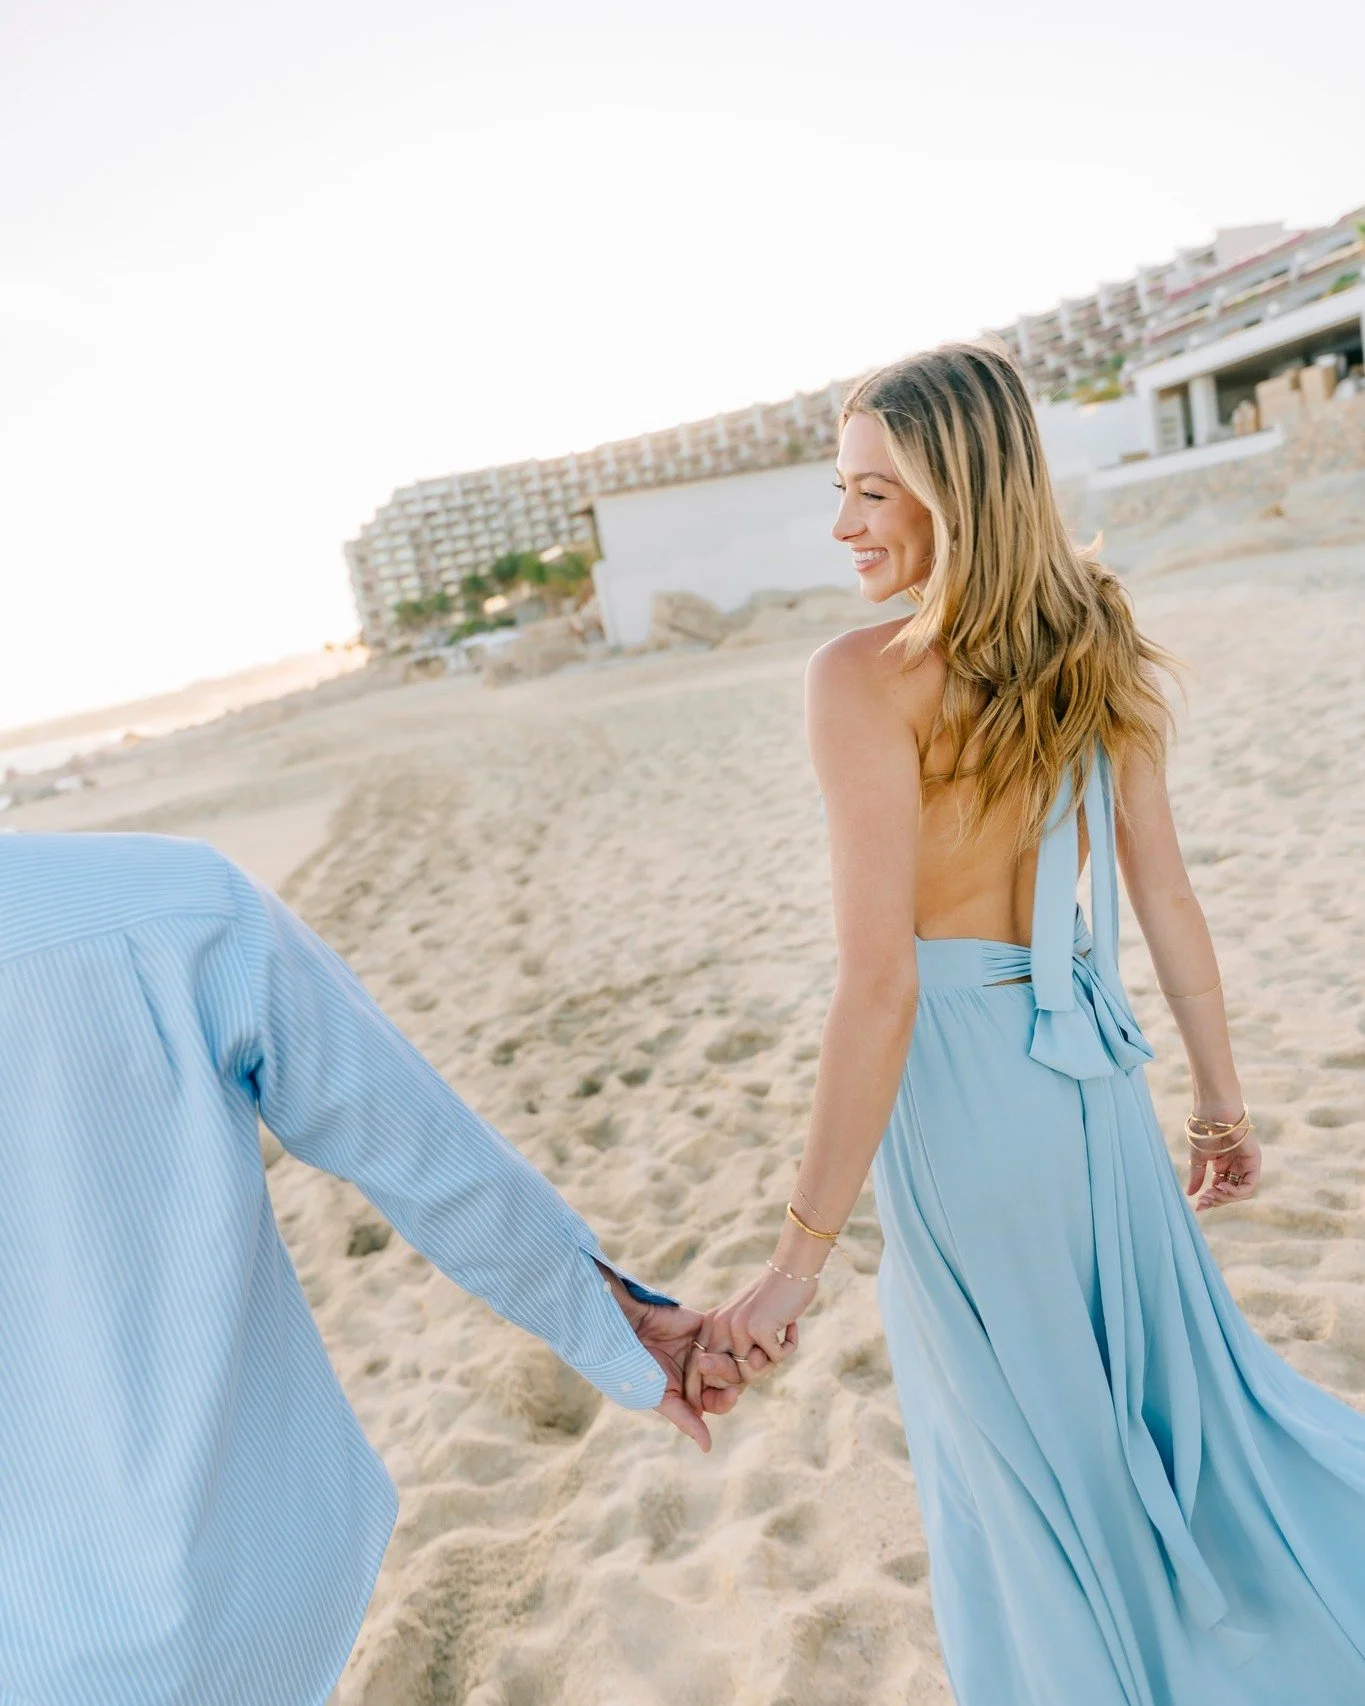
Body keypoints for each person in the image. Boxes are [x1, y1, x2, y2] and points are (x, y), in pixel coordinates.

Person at [690, 343, 1365, 1703]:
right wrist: (1218, 1108)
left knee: (1021, 1458)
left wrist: (795, 1260)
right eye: (842, 489)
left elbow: (880, 987)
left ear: (955, 488)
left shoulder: (859, 675)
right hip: (1095, 1088)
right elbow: (1163, 891)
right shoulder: (1091, 627)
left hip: (965, 1103)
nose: (843, 525)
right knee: (1176, 1411)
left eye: (874, 492)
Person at [0, 831, 742, 1706]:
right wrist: (610, 1322)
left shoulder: (176, 908)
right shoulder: (173, 904)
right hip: (224, 1605)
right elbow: (424, 1157)